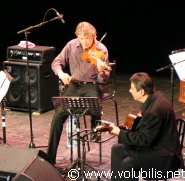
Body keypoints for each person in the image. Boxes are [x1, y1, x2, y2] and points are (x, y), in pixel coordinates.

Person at [47, 21, 110, 163]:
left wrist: (101, 71)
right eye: (81, 38)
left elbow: (104, 78)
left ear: (94, 36)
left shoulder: (101, 49)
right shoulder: (71, 45)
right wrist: (61, 74)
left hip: (93, 84)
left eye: (87, 39)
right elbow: (56, 63)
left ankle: (96, 129)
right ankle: (50, 158)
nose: (84, 42)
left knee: (94, 103)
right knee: (57, 116)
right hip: (74, 85)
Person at [107, 72, 184, 180]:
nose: (130, 91)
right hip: (156, 146)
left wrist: (119, 133)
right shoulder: (154, 97)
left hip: (164, 157)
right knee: (117, 149)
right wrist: (120, 130)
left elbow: (143, 140)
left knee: (127, 163)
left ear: (142, 91)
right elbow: (144, 131)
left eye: (132, 88)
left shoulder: (153, 111)